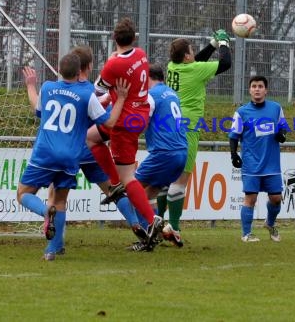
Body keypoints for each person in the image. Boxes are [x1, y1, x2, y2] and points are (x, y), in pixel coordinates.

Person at [22, 46, 144, 254]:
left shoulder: (54, 88)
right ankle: (135, 223)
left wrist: (31, 87)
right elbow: (107, 116)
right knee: (111, 189)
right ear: (87, 67)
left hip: (60, 147)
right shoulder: (91, 90)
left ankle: (53, 240)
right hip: (85, 149)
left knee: (54, 197)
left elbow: (39, 110)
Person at [87, 18, 163, 248]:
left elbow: (98, 89)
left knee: (127, 176)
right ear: (135, 37)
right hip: (139, 114)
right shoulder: (141, 54)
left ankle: (151, 219)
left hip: (123, 121)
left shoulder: (113, 66)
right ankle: (115, 182)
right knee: (92, 137)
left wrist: (109, 64)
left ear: (114, 38)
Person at [163, 30, 232, 244]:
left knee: (166, 179)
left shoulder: (172, 66)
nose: (194, 54)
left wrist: (211, 44)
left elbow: (197, 61)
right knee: (181, 179)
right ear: (186, 56)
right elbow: (225, 63)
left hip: (169, 125)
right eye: (191, 51)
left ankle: (157, 222)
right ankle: (173, 227)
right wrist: (223, 43)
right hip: (188, 128)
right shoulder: (193, 70)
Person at [133, 63, 188, 251]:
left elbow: (140, 123)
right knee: (147, 196)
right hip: (181, 153)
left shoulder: (151, 95)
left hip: (164, 153)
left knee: (132, 191)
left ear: (147, 78)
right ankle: (163, 230)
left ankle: (149, 237)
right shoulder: (172, 94)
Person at [228, 76, 287, 243]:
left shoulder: (276, 108)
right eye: (254, 86)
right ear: (249, 90)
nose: (257, 89)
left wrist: (281, 135)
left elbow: (283, 129)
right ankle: (246, 234)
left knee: (276, 198)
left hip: (272, 163)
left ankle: (269, 223)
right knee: (250, 198)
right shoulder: (242, 112)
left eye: (260, 86)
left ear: (266, 90)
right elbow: (234, 136)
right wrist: (233, 154)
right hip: (251, 163)